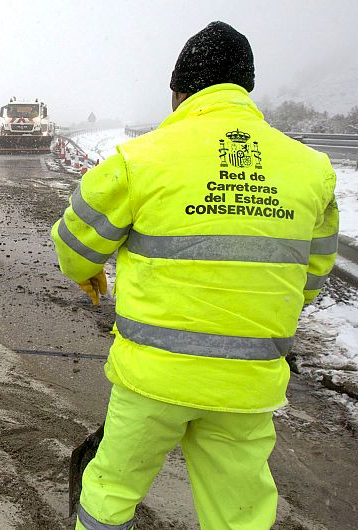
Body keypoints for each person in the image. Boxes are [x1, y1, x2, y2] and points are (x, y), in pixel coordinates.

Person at [51, 21, 338, 530]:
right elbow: (311, 277)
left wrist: (87, 273)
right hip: (248, 386)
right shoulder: (311, 169)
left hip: (152, 381)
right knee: (240, 512)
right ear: (246, 86)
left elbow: (75, 242)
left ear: (180, 91)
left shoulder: (140, 158)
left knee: (112, 488)